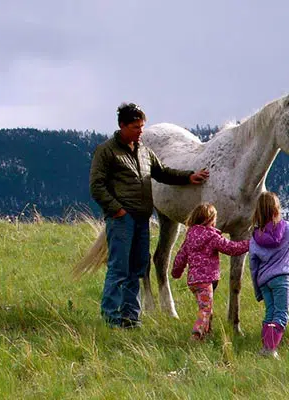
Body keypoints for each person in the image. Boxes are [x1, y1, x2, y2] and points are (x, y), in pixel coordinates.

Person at [90, 102, 209, 329]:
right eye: (136, 127)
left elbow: (162, 172)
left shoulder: (144, 151)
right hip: (121, 219)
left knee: (137, 267)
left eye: (142, 126)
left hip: (142, 220)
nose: (141, 131)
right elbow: (97, 186)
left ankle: (131, 317)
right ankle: (111, 316)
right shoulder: (106, 152)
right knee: (119, 268)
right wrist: (117, 210)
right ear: (122, 126)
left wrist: (189, 177)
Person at [171, 202, 250, 340]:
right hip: (206, 281)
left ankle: (206, 335)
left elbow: (180, 256)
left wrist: (176, 272)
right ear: (210, 219)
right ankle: (196, 335)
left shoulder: (190, 236)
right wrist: (250, 243)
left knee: (206, 307)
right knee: (205, 310)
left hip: (193, 282)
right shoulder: (212, 237)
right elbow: (231, 248)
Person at [249, 192, 289, 359]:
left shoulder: (255, 237)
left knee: (270, 313)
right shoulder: (286, 228)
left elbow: (253, 264)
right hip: (281, 279)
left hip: (264, 281)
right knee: (281, 314)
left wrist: (258, 288)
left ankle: (266, 346)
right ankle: (269, 349)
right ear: (277, 209)